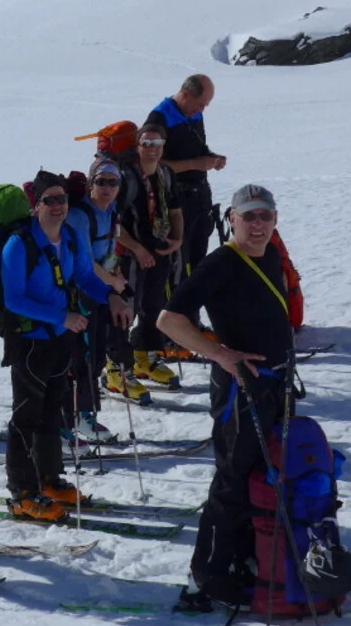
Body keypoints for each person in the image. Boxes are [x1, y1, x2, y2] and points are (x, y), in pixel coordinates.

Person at [156, 184, 293, 608]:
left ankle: (246, 561)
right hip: (241, 390)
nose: (257, 224)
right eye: (248, 216)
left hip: (276, 384)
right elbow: (168, 320)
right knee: (232, 483)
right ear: (231, 218)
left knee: (262, 478)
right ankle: (205, 578)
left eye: (264, 216)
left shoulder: (270, 255)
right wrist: (219, 354)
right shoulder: (222, 263)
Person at [1, 170, 132, 520]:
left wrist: (111, 298)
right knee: (26, 416)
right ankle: (21, 492)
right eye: (50, 200)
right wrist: (61, 317)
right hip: (30, 342)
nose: (59, 206)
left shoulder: (71, 237)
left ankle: (49, 479)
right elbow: (13, 299)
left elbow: (85, 277)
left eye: (63, 199)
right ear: (36, 206)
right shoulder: (20, 244)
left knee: (53, 411)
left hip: (61, 338)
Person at [146, 74, 226, 310]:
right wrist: (195, 164)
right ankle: (173, 321)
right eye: (201, 103)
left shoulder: (193, 113)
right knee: (177, 265)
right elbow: (152, 164)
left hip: (199, 196)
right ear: (186, 94)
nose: (202, 109)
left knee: (197, 263)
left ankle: (191, 319)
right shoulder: (159, 118)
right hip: (175, 201)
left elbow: (196, 147)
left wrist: (211, 158)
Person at [114, 123, 184, 390]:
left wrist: (177, 240)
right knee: (125, 311)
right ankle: (116, 366)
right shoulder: (124, 177)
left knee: (154, 306)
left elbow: (176, 211)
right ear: (137, 145)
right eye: (147, 143)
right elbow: (113, 223)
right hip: (130, 254)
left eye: (157, 144)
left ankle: (146, 355)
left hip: (160, 248)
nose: (152, 149)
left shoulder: (166, 173)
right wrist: (138, 249)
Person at [63, 170, 127, 443]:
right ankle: (77, 419)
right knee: (82, 360)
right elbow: (86, 263)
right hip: (82, 294)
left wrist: (117, 283)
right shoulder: (80, 216)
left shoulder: (112, 211)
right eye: (101, 182)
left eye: (113, 183)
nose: (107, 188)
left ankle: (84, 416)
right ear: (91, 185)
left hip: (101, 292)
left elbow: (111, 251)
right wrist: (113, 287)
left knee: (96, 356)